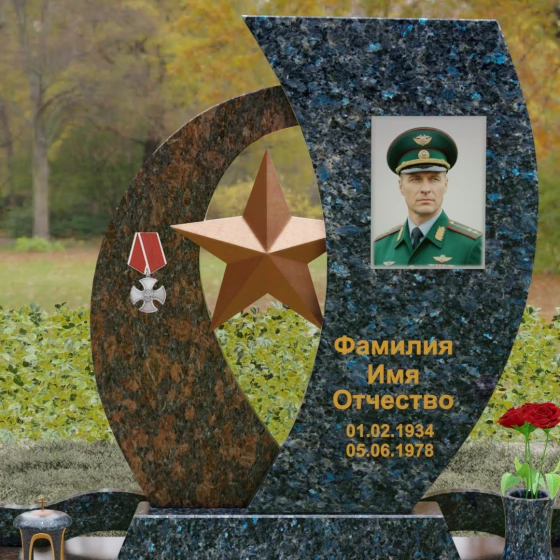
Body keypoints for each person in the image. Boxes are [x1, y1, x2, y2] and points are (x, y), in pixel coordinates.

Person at [373, 127, 483, 267]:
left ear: (445, 185)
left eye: (434, 179)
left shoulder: (471, 245)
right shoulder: (379, 248)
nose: (425, 189)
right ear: (401, 186)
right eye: (415, 179)